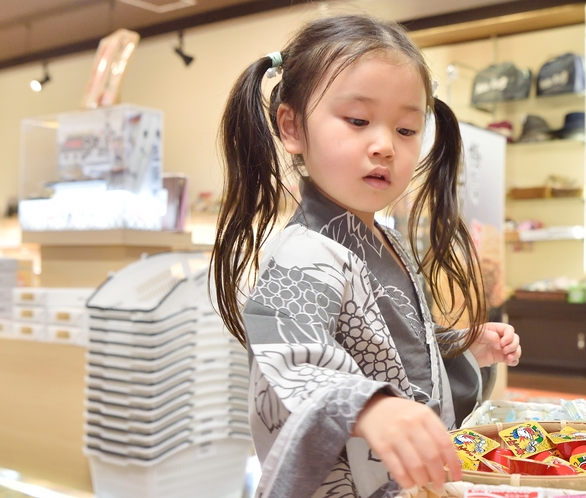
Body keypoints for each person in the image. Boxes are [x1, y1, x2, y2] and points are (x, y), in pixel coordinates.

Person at [211, 13, 522, 498]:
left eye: (405, 129)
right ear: (291, 126)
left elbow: (391, 351)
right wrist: (368, 408)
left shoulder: (388, 239)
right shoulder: (304, 252)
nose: (384, 146)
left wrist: (460, 345)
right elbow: (291, 359)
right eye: (358, 121)